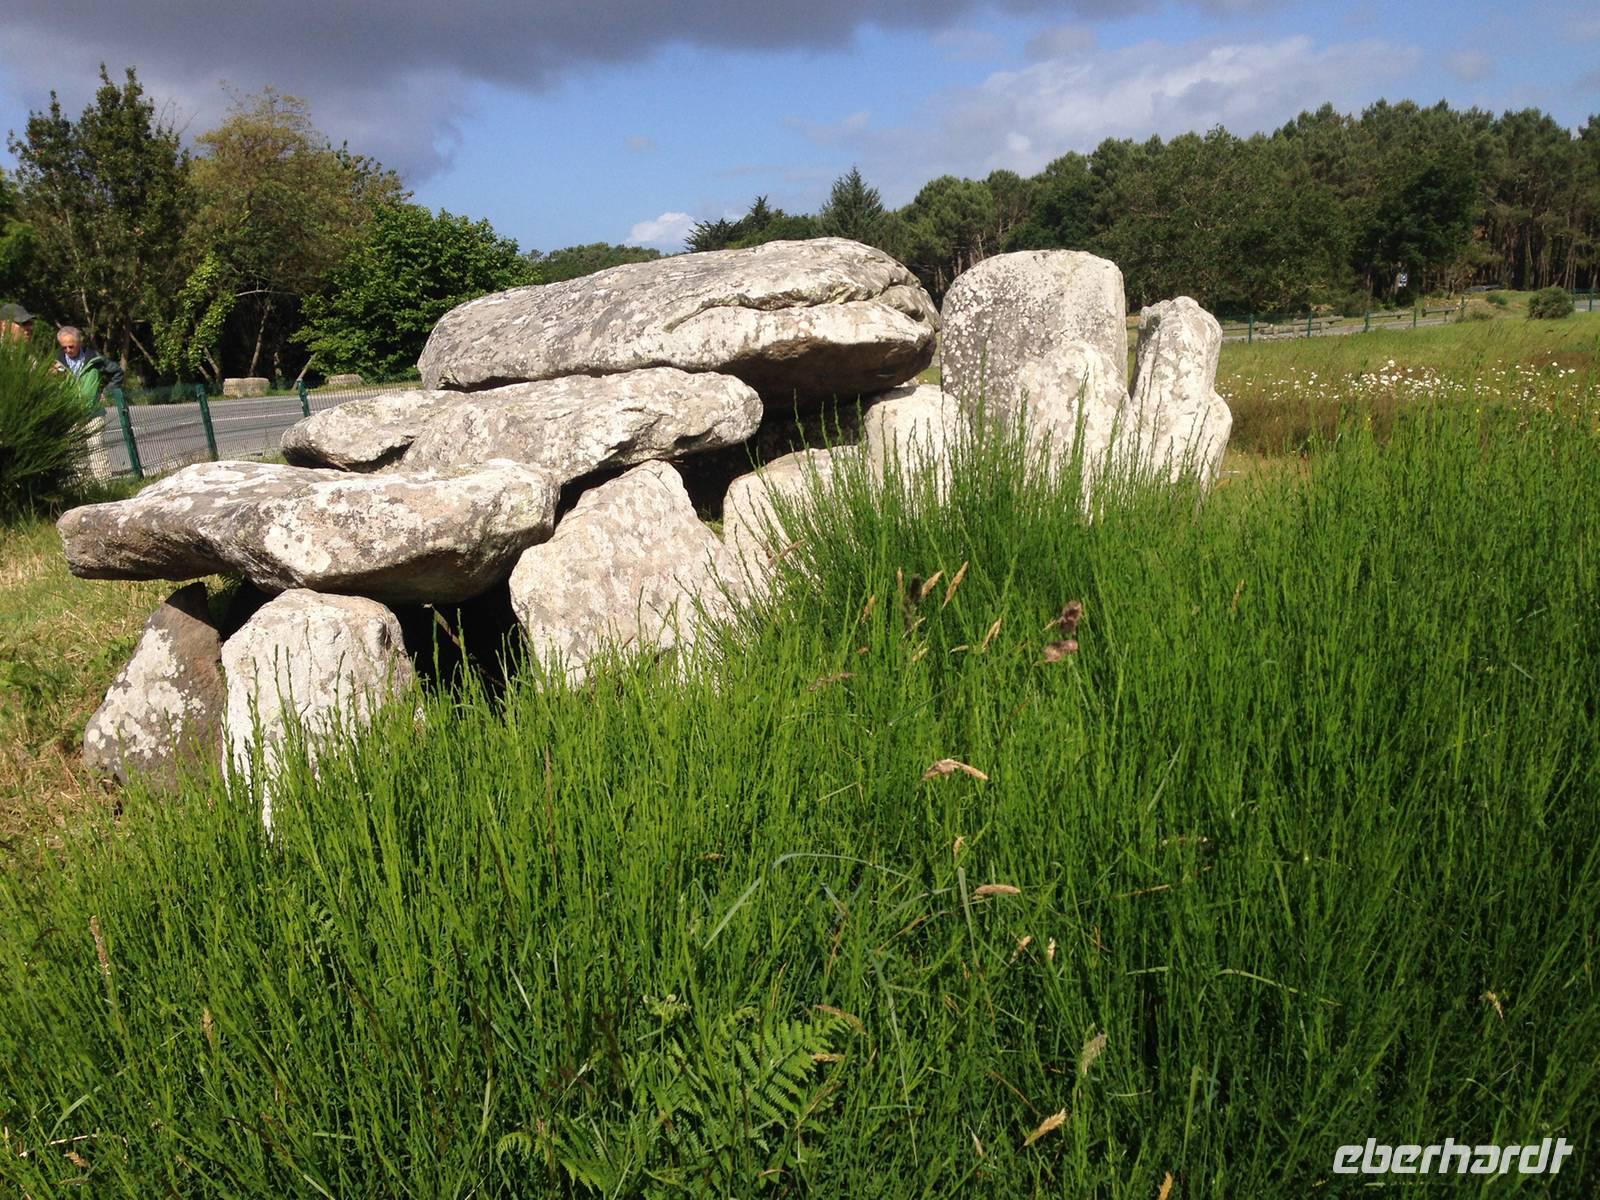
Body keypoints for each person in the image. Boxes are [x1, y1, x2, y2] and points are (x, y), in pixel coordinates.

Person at [53, 325, 124, 481]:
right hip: (70, 415)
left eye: (71, 346)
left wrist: (107, 392)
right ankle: (84, 488)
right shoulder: (55, 363)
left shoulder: (94, 359)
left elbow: (117, 372)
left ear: (79, 343)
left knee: (97, 449)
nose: (68, 350)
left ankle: (104, 485)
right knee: (76, 454)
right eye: (64, 347)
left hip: (93, 413)